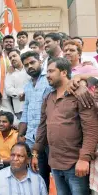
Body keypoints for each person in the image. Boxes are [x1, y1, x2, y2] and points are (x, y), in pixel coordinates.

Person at [32, 57, 98, 195]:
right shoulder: (48, 98)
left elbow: (91, 129)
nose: (47, 76)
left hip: (76, 164)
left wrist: (84, 159)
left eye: (51, 71)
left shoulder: (80, 94)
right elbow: (43, 127)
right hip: (55, 163)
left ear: (63, 72)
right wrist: (36, 152)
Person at [18, 51, 52, 190]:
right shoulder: (27, 86)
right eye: (26, 65)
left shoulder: (49, 79)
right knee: (37, 175)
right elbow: (25, 112)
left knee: (54, 175)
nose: (29, 66)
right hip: (32, 137)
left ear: (40, 62)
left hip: (50, 137)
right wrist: (21, 135)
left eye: (32, 62)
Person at [5, 49, 30, 119]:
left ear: (20, 56)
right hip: (19, 108)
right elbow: (8, 89)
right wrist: (21, 94)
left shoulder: (29, 68)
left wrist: (27, 94)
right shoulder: (10, 73)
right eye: (10, 58)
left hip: (33, 104)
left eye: (14, 56)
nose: (12, 58)